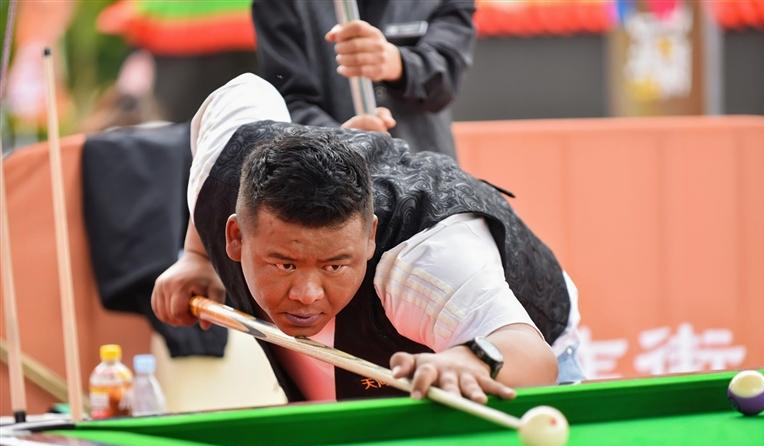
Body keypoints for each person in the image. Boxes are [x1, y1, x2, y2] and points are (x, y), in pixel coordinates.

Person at [151, 74, 584, 404]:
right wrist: (196, 257)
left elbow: (532, 359)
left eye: (334, 265)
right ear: (235, 235)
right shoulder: (226, 163)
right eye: (284, 263)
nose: (306, 294)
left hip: (511, 346)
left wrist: (467, 360)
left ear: (370, 236)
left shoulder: (427, 260)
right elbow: (244, 89)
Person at [251, 0, 476, 158]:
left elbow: (447, 76)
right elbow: (287, 100)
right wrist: (339, 137)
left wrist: (398, 64)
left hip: (428, 180)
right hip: (329, 190)